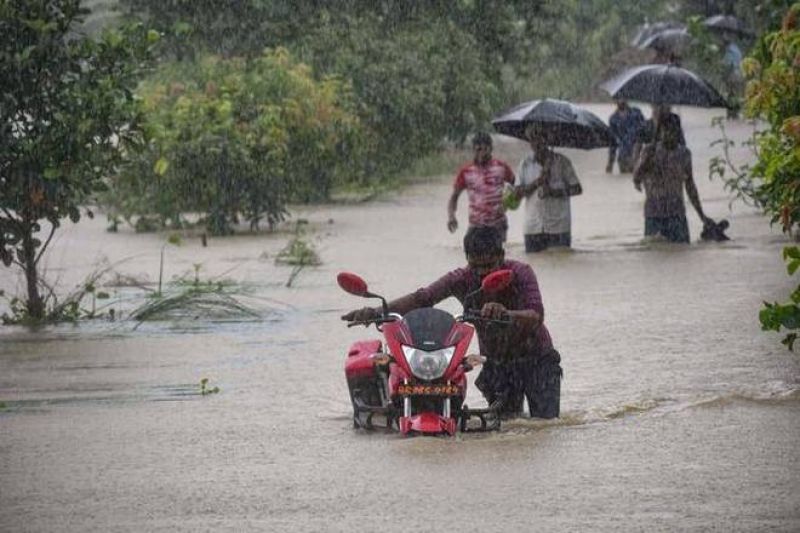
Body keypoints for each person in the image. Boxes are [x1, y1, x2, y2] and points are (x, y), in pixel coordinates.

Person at [341, 225, 563, 419]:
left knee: (544, 425)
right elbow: (423, 298)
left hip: (537, 360)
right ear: (467, 259)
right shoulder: (462, 279)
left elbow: (536, 315)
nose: (481, 273)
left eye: (489, 266)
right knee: (507, 426)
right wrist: (377, 311)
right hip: (497, 363)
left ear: (502, 256)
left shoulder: (521, 273)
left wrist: (506, 314)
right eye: (475, 266)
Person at [633, 113, 711, 242]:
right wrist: (645, 161)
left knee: (682, 254)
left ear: (678, 131)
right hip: (654, 215)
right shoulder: (649, 151)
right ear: (660, 132)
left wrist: (701, 215)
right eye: (666, 130)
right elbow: (636, 179)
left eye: (673, 130)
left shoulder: (684, 154)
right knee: (654, 254)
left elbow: (690, 186)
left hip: (677, 216)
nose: (669, 134)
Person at [515, 128, 582, 253]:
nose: (537, 143)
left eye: (540, 139)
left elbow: (577, 189)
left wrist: (553, 192)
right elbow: (517, 194)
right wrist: (537, 182)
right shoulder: (524, 164)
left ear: (548, 140)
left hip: (559, 226)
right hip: (533, 226)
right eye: (533, 140)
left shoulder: (562, 162)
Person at [447, 132, 515, 242]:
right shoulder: (466, 172)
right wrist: (451, 217)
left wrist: (507, 202)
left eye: (485, 149)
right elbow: (454, 198)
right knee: (473, 255)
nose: (482, 154)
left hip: (498, 225)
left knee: (497, 256)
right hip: (476, 225)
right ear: (473, 150)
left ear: (491, 149)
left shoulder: (502, 167)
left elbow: (515, 187)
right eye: (478, 150)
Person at [606, 99, 645, 174]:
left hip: (638, 156)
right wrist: (610, 163)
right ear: (615, 100)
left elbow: (643, 133)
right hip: (623, 157)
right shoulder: (613, 119)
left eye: (622, 97)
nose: (620, 100)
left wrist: (636, 155)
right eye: (618, 98)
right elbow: (612, 142)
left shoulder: (636, 113)